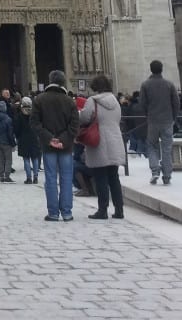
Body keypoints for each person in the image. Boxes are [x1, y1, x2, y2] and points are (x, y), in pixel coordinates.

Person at [30, 69, 79, 221]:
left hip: (48, 146)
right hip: (66, 146)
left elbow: (34, 123)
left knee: (50, 178)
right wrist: (63, 140)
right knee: (66, 178)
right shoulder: (69, 101)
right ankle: (67, 212)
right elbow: (74, 125)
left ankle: (53, 213)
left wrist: (50, 138)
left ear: (50, 81)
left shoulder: (39, 99)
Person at [78, 74, 125, 219]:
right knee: (114, 177)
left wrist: (79, 113)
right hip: (115, 139)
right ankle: (119, 210)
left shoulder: (93, 101)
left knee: (100, 178)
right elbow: (118, 118)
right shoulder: (115, 101)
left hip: (99, 141)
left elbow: (85, 118)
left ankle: (102, 210)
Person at [139, 59, 179, 186]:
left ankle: (155, 171)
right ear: (162, 69)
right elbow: (176, 103)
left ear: (151, 69)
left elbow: (142, 104)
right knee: (167, 149)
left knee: (152, 146)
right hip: (167, 120)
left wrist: (148, 115)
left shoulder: (145, 85)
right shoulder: (169, 84)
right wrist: (174, 117)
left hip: (153, 120)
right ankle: (167, 176)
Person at [14, 96, 41, 184]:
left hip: (23, 138)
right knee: (35, 158)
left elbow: (17, 129)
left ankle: (29, 177)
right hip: (34, 138)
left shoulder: (20, 116)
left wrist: (18, 137)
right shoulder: (35, 114)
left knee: (26, 158)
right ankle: (36, 176)